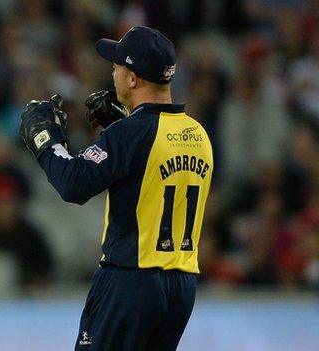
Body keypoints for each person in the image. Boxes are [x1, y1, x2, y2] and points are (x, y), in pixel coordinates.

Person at [19, 26, 214, 350]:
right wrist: (122, 120)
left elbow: (74, 183)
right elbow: (149, 168)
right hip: (181, 286)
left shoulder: (129, 134)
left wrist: (44, 137)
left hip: (131, 280)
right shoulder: (198, 134)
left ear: (133, 78)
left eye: (117, 65)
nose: (112, 71)